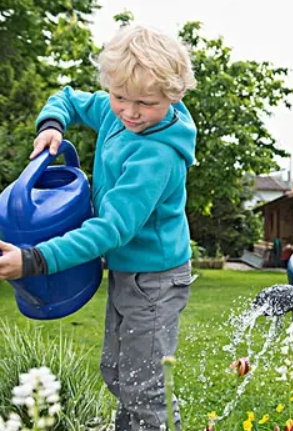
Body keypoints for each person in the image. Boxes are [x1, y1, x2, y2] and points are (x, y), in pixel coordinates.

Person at [0, 24, 197, 431]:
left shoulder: (157, 155)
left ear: (174, 96)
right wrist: (52, 123)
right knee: (116, 371)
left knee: (146, 385)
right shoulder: (115, 110)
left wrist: (37, 260)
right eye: (120, 97)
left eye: (145, 102)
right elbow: (69, 98)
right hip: (128, 271)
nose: (129, 112)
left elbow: (112, 229)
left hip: (157, 280)